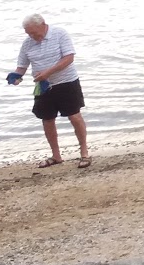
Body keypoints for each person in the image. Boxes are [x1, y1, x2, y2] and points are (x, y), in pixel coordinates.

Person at [13, 15, 89, 168]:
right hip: (42, 85)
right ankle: (56, 155)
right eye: (28, 33)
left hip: (66, 81)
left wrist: (48, 72)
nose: (32, 36)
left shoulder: (59, 33)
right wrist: (16, 77)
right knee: (47, 119)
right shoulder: (27, 43)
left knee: (74, 116)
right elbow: (22, 65)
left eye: (34, 32)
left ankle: (84, 153)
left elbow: (69, 58)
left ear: (43, 25)